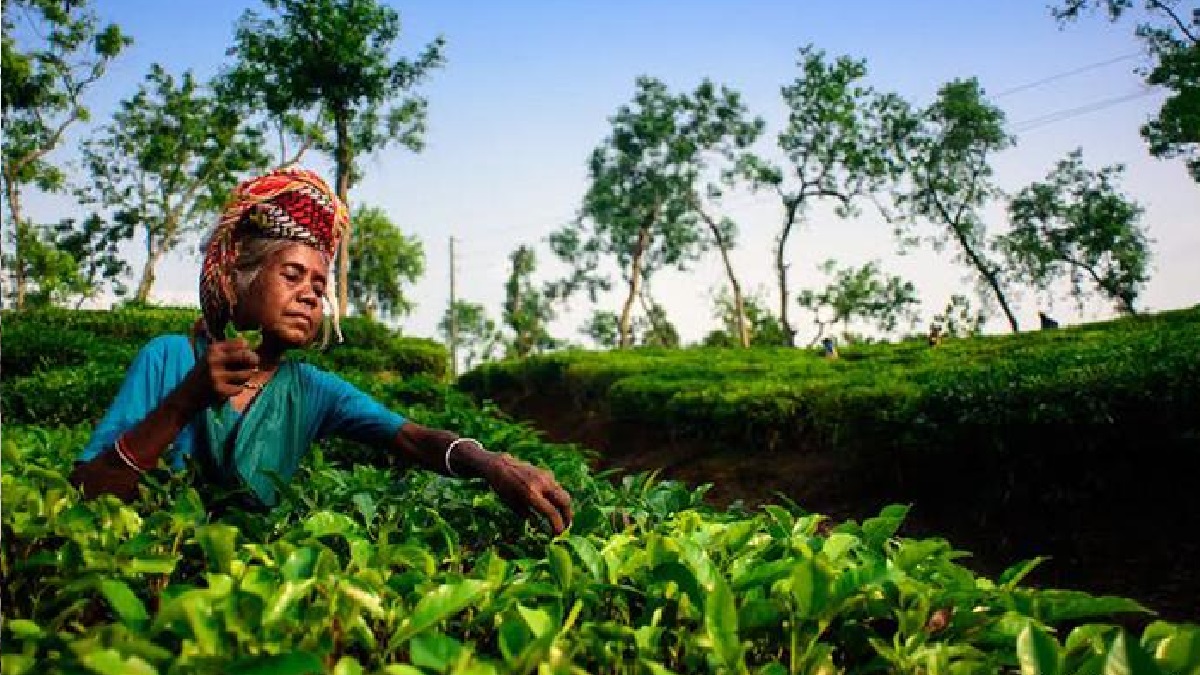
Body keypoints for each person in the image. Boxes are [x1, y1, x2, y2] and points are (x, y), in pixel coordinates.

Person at [69, 167, 573, 534]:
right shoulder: (168, 359)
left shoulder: (310, 390)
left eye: (319, 283)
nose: (311, 294)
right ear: (239, 278)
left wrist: (493, 465)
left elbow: (411, 438)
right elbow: (90, 490)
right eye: (291, 275)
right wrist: (184, 402)